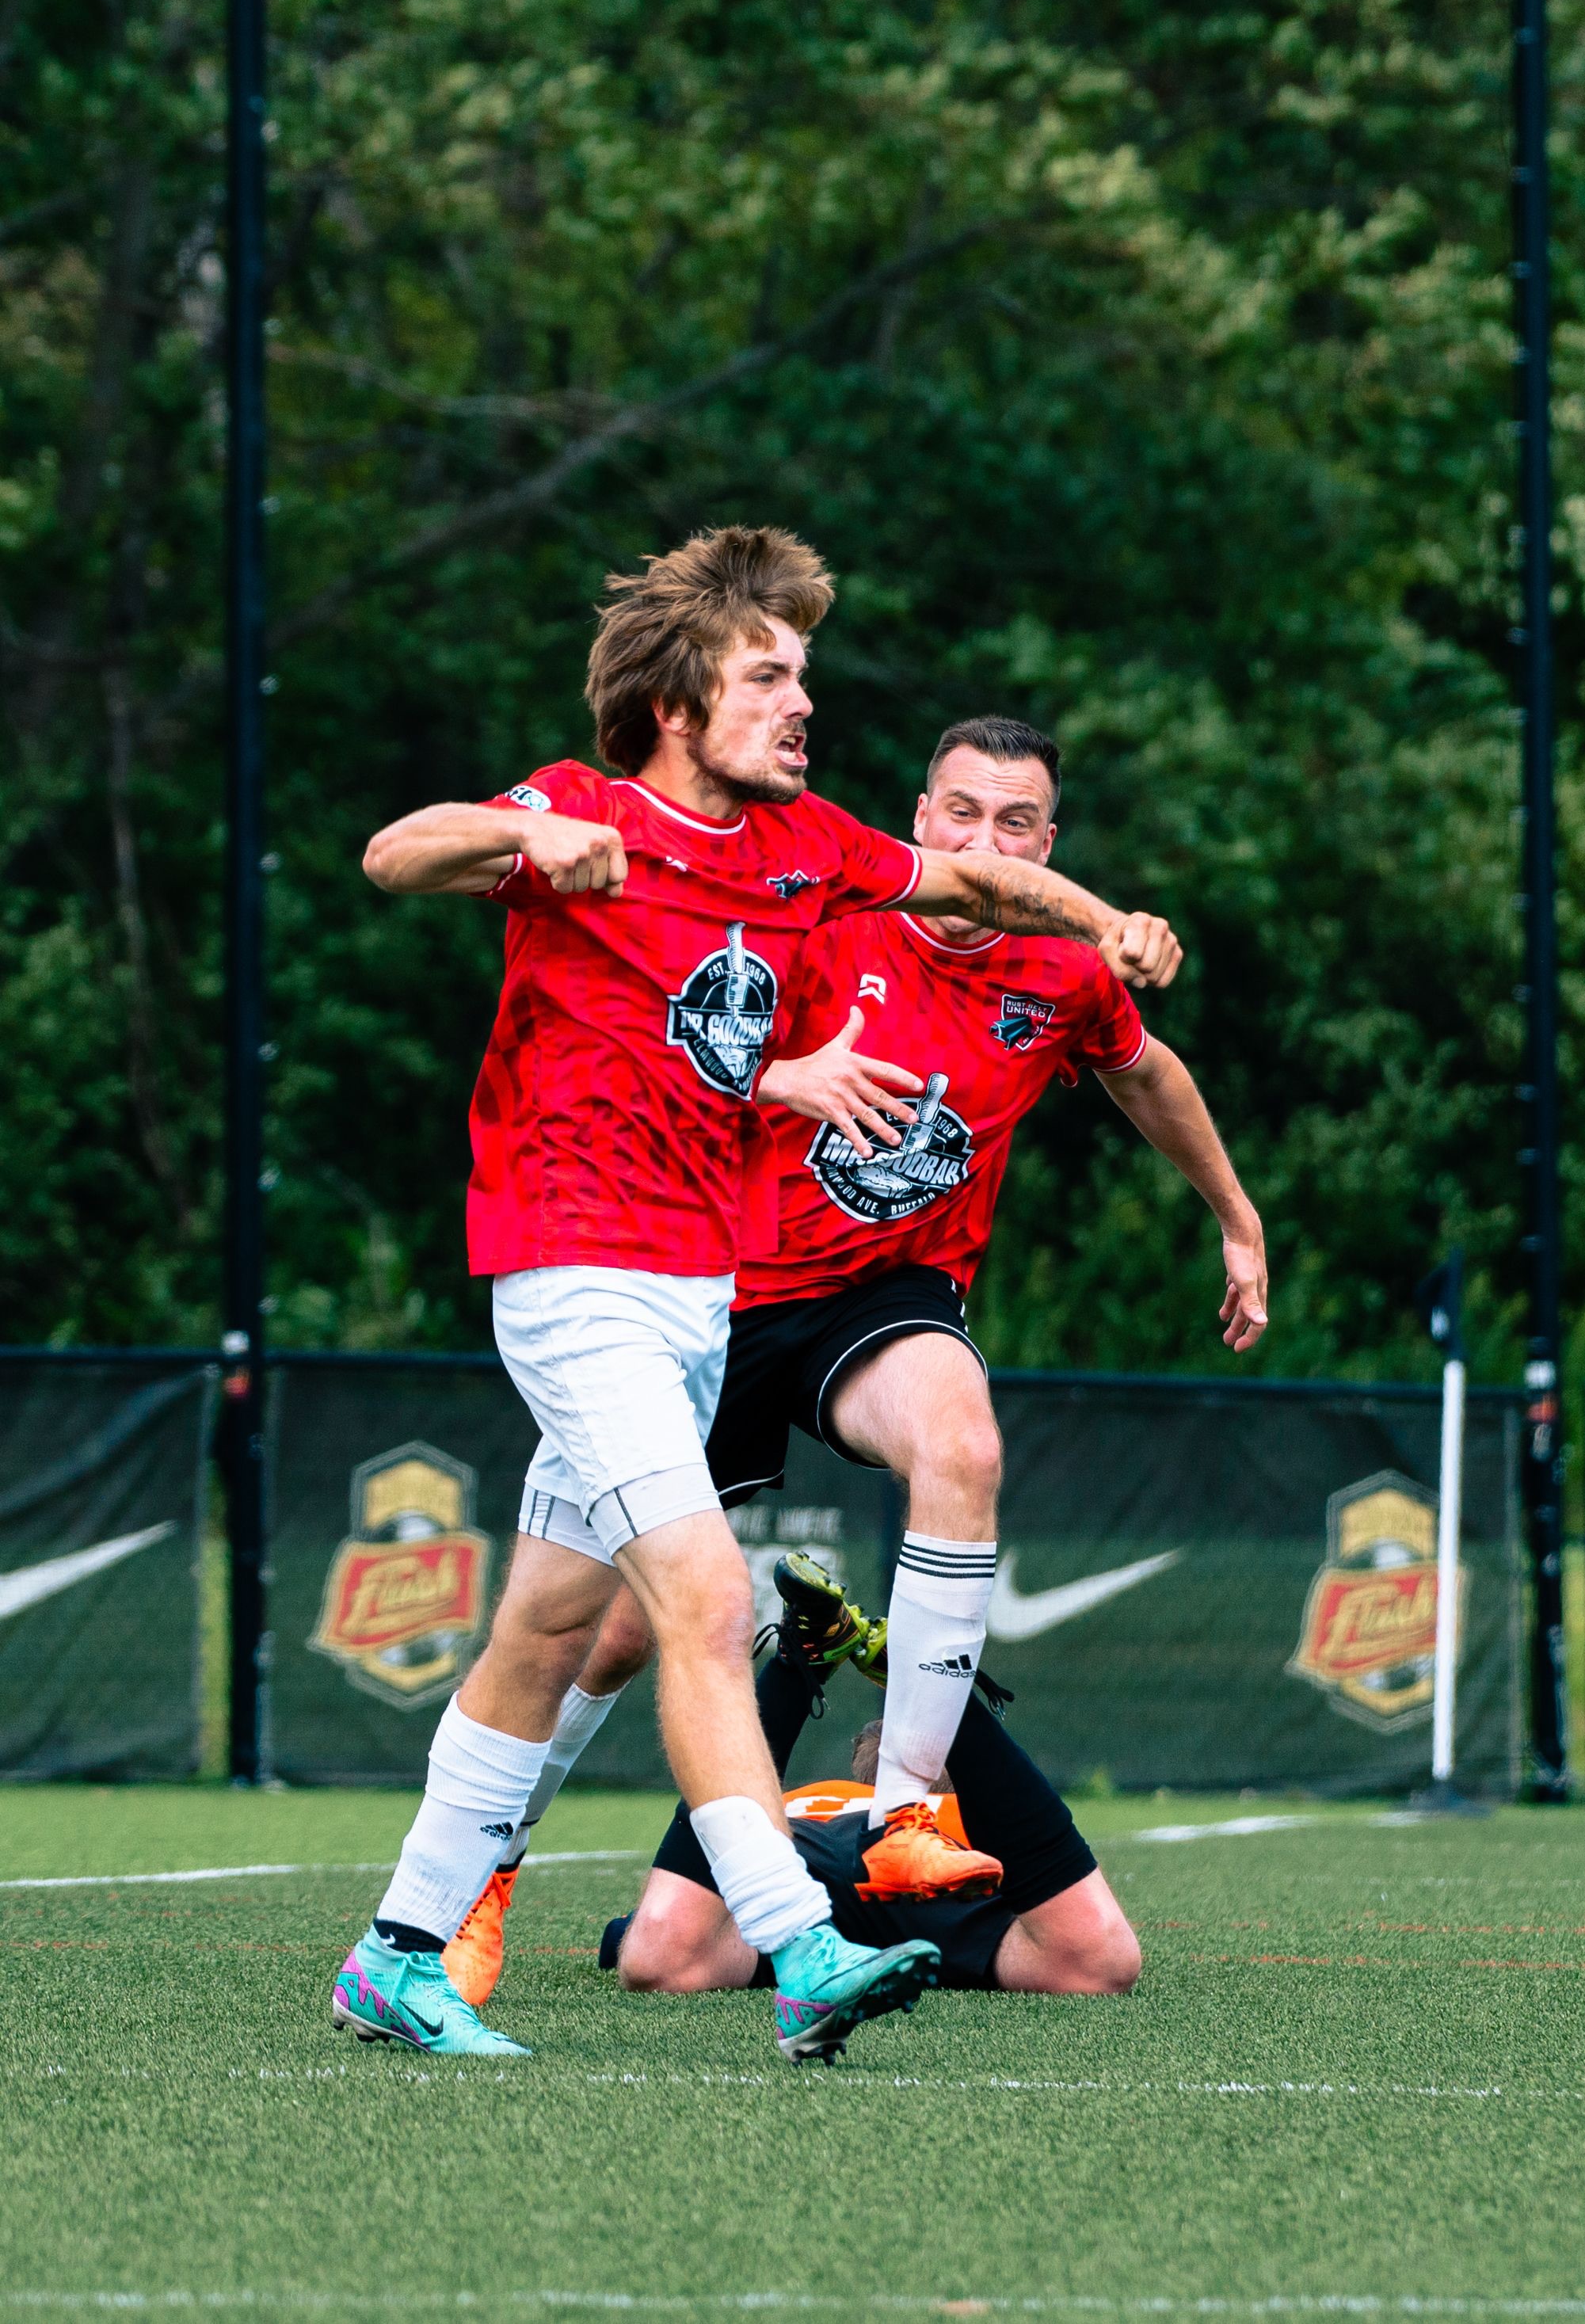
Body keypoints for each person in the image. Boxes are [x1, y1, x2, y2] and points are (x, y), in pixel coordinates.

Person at [333, 528, 1181, 2066]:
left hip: (689, 1289)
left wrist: (1096, 921)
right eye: (769, 673)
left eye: (805, 671)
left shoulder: (806, 846)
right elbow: (397, 854)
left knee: (542, 1625)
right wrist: (519, 846)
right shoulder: (584, 805)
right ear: (677, 700)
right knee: (711, 1598)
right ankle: (801, 1942)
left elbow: (973, 870)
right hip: (568, 1263)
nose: (803, 699)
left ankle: (397, 1950)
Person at [439, 714, 1260, 1998]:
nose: (985, 841)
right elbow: (670, 1038)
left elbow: (1142, 1071)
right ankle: (477, 1877)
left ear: (1047, 842)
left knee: (960, 1439)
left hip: (882, 1295)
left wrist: (1233, 1214)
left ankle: (902, 1803)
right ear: (919, 821)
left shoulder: (1060, 966)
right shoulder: (817, 907)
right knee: (596, 1637)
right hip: (707, 1290)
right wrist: (788, 1075)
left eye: (1017, 821)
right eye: (961, 812)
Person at [459, 1558, 1141, 2022]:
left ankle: (864, 1667)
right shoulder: (814, 1809)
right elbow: (644, 1944)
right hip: (800, 1890)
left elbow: (623, 1939)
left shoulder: (953, 1820)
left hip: (936, 1889)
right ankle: (870, 1667)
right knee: (657, 1955)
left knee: (1100, 1961)